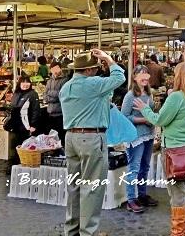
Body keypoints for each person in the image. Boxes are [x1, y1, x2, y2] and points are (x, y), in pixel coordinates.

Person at [59, 49, 125, 236]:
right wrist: (109, 60)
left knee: (74, 186)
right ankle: (88, 231)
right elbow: (119, 77)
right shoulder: (93, 84)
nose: (97, 70)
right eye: (95, 67)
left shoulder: (66, 87)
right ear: (88, 70)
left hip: (71, 138)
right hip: (91, 138)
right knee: (92, 187)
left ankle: (71, 230)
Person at [133, 62, 185, 236]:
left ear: (179, 77)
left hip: (176, 150)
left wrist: (145, 109)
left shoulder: (176, 97)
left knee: (177, 191)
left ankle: (178, 232)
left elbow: (160, 120)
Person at [121, 65, 158, 213]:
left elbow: (152, 110)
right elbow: (124, 116)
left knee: (145, 167)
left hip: (148, 134)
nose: (145, 76)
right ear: (134, 77)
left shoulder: (149, 94)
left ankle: (142, 195)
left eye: (146, 74)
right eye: (141, 74)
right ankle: (131, 199)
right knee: (134, 168)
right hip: (135, 136)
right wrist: (143, 120)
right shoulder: (130, 96)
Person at [7, 76, 41, 161]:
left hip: (26, 125)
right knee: (15, 144)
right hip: (15, 125)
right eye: (23, 82)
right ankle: (15, 162)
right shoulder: (16, 93)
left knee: (25, 144)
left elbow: (36, 110)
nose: (25, 84)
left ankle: (25, 162)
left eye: (27, 82)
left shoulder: (33, 94)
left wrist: (33, 125)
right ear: (19, 83)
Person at [43, 62, 68, 144]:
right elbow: (45, 97)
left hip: (60, 114)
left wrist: (50, 93)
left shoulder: (65, 80)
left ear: (60, 68)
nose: (55, 71)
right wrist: (54, 95)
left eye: (57, 68)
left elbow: (62, 95)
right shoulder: (49, 81)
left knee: (61, 136)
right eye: (53, 69)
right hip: (50, 113)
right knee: (51, 137)